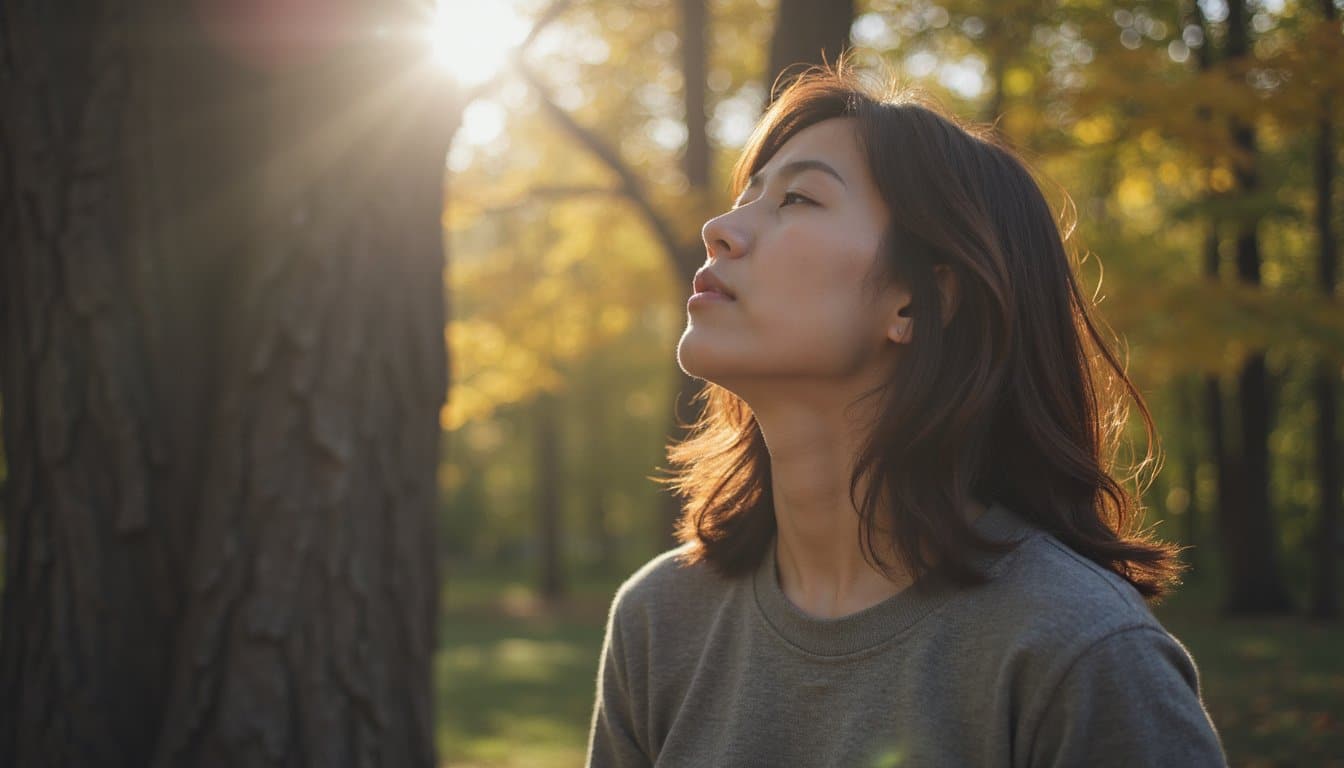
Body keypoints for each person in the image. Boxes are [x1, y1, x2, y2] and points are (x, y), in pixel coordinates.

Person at [586, 63, 1226, 768]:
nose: (719, 228)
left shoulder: (1080, 653)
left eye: (797, 197)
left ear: (918, 302)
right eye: (747, 195)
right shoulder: (660, 619)